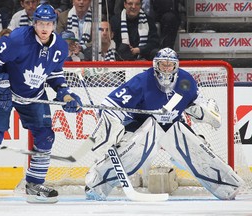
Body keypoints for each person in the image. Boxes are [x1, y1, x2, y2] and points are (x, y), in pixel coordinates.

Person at [83, 48, 241, 201]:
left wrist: (204, 112)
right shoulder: (142, 80)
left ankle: (226, 185)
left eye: (169, 64)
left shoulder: (186, 81)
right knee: (132, 153)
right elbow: (111, 104)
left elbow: (206, 108)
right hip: (141, 125)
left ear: (176, 66)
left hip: (173, 127)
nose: (166, 68)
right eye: (162, 64)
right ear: (155, 65)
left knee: (198, 149)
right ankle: (96, 183)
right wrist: (112, 123)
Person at [0, 3, 82, 204]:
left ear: (54, 24)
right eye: (40, 23)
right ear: (34, 23)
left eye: (48, 23)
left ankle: (34, 184)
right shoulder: (18, 39)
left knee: (46, 136)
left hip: (33, 95)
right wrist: (1, 82)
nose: (44, 28)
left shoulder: (60, 47)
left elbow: (54, 75)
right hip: (3, 92)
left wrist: (65, 94)